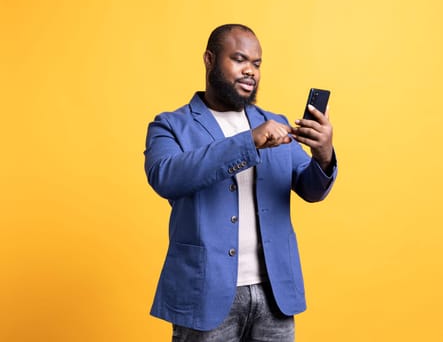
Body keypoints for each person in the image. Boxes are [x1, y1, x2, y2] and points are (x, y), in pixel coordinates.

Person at [144, 24, 338, 342]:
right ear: (209, 59)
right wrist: (248, 142)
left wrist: (323, 153)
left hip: (274, 294)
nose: (250, 71)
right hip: (205, 294)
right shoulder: (171, 125)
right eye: (239, 59)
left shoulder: (275, 123)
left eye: (257, 64)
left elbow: (311, 189)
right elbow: (166, 176)